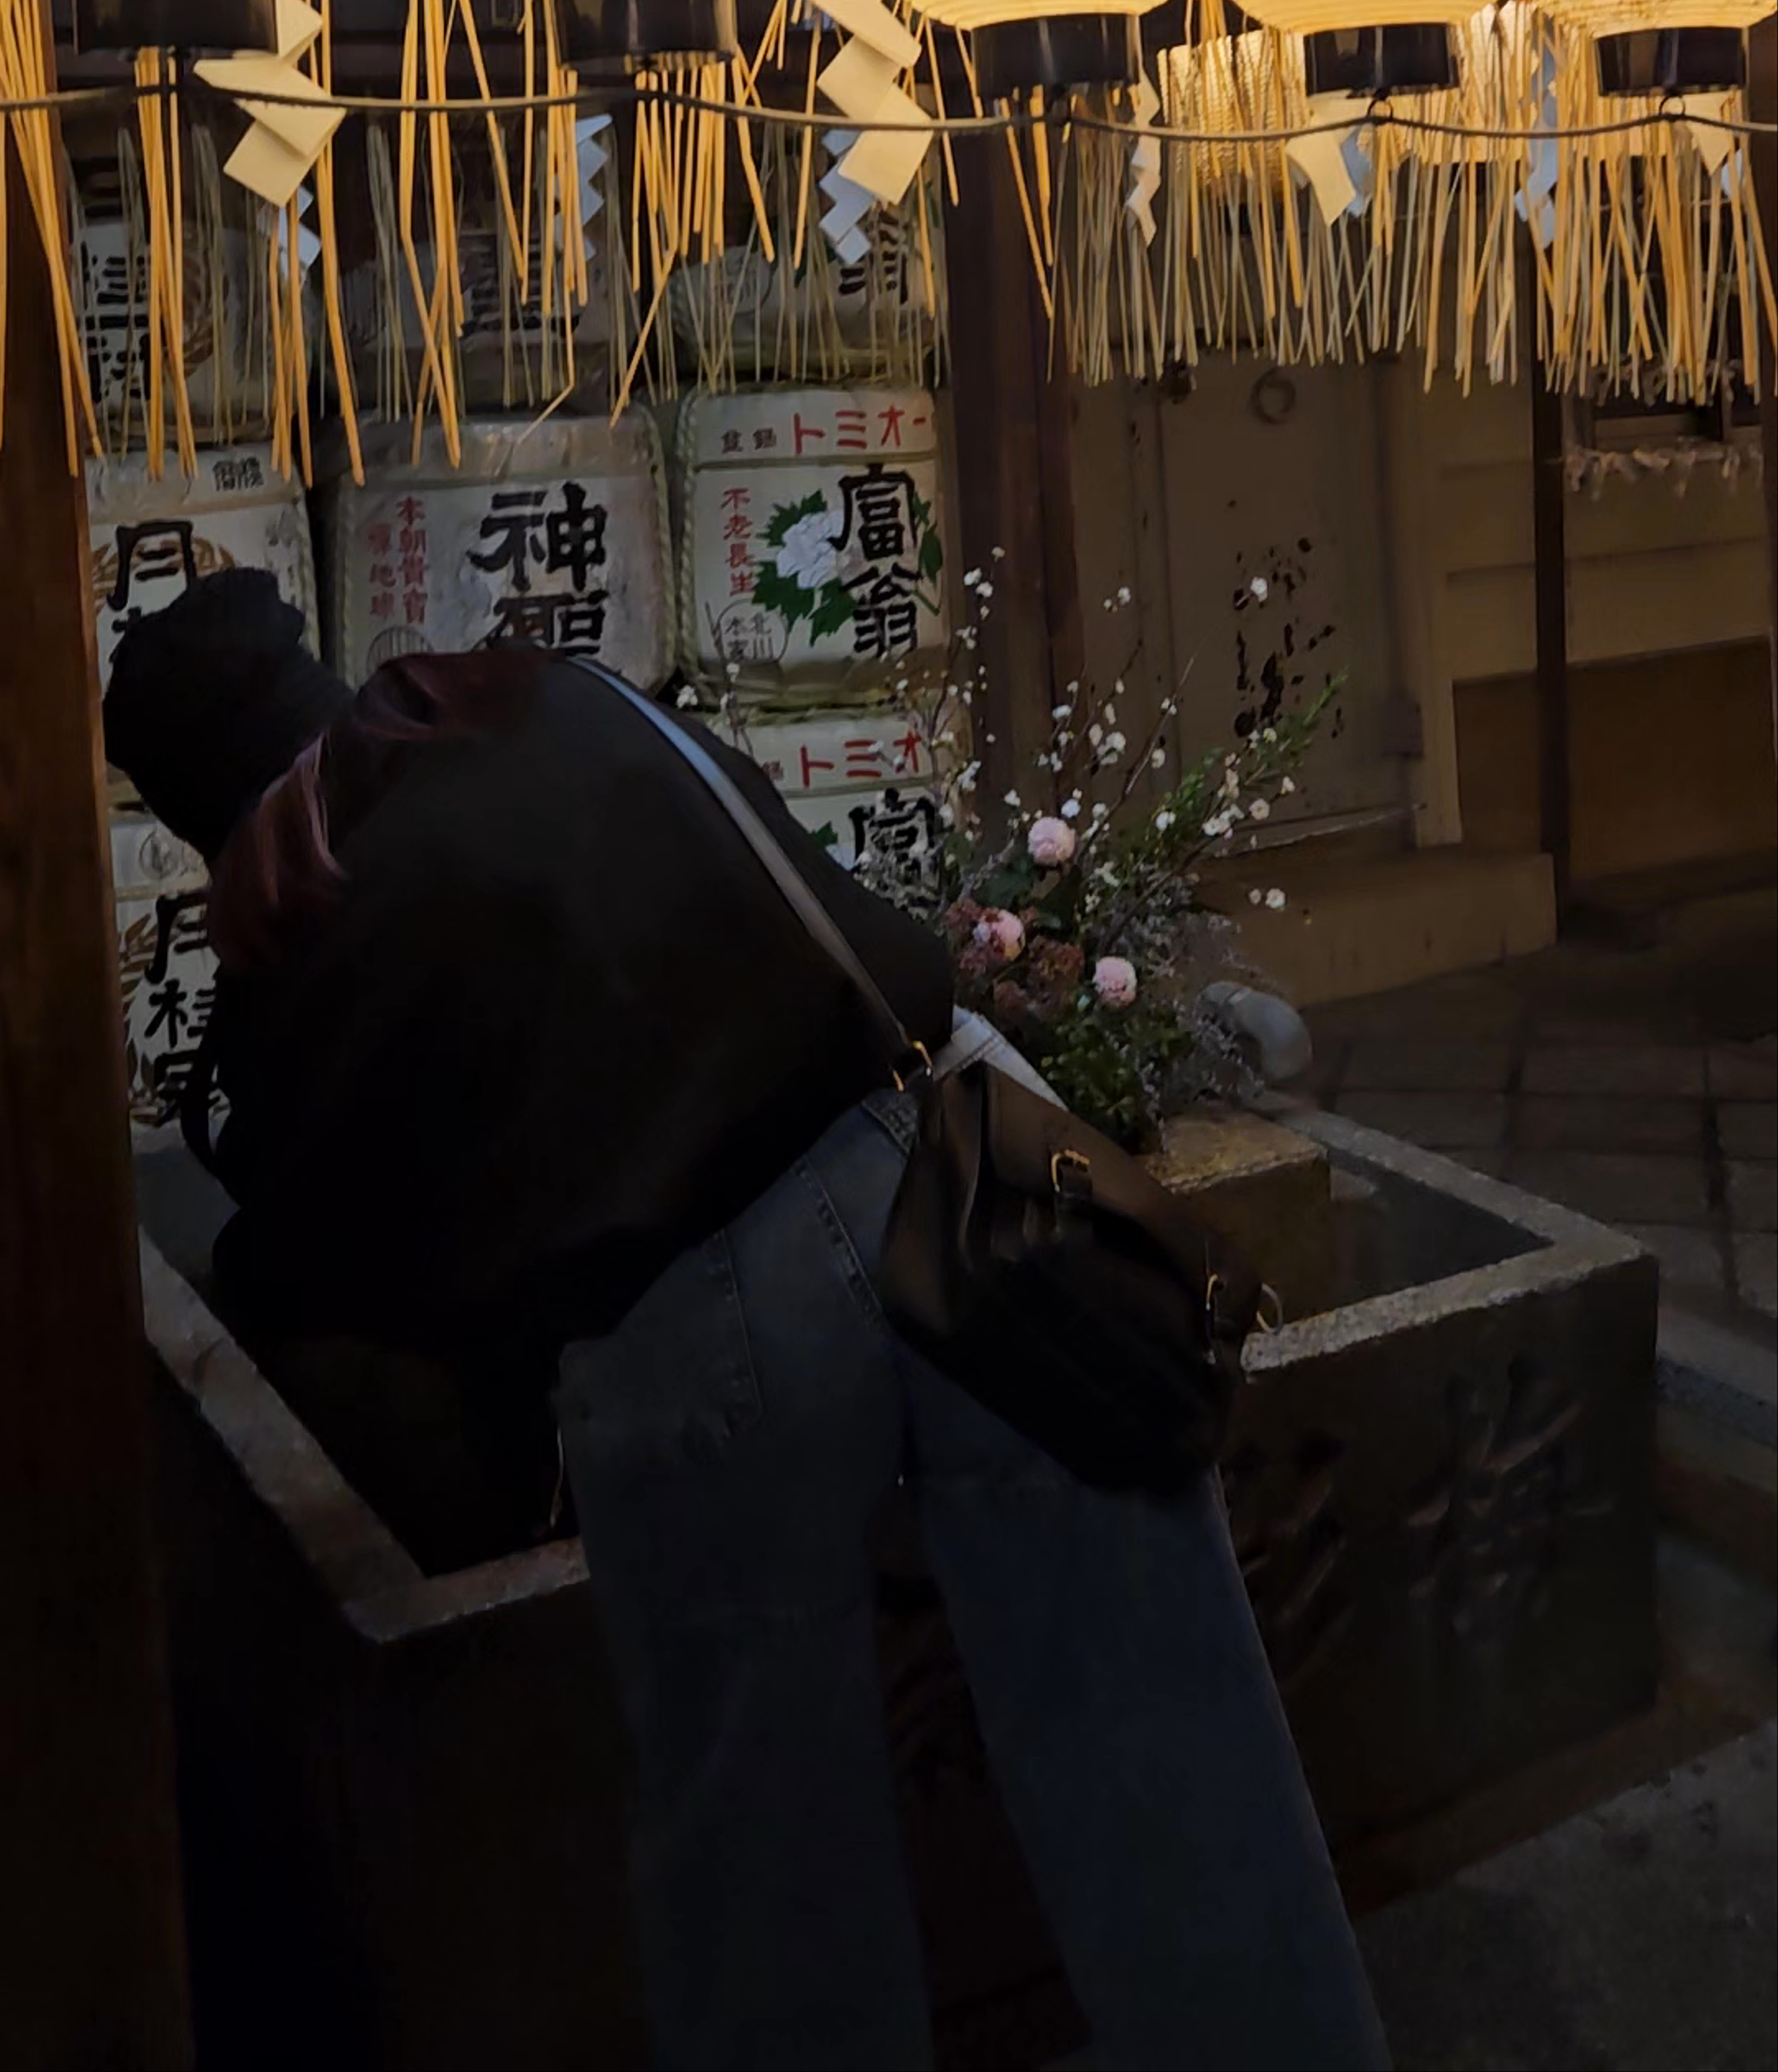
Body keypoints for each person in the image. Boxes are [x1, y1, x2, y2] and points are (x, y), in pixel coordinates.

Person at [107, 572, 1388, 2072]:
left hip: (706, 1305)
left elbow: (327, 1280)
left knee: (771, 1879)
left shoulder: (300, 939)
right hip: (969, 1117)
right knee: (1187, 1732)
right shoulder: (535, 694)